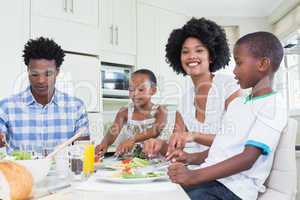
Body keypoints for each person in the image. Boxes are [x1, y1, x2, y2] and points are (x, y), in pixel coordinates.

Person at [167, 31, 287, 200]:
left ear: (262, 64)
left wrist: (193, 176)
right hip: (211, 181)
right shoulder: (239, 104)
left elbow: (248, 158)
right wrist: (190, 158)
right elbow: (221, 148)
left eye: (239, 63)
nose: (235, 70)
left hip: (234, 189)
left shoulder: (273, 104)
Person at [143, 17, 240, 157]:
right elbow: (176, 147)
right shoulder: (184, 100)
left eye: (199, 50)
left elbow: (236, 139)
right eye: (185, 51)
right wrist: (159, 144)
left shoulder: (229, 86)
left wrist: (194, 135)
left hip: (225, 173)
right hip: (195, 168)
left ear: (211, 56)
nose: (191, 56)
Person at [0, 37, 89, 153]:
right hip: (21, 171)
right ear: (28, 70)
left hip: (62, 171)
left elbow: (84, 151)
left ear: (57, 72)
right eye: (35, 74)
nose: (41, 80)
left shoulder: (77, 107)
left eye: (48, 74)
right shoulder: (6, 107)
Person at [95, 69, 167, 157]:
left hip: (154, 162)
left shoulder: (160, 110)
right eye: (131, 89)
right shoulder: (124, 112)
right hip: (130, 161)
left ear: (153, 91)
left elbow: (155, 131)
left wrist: (133, 139)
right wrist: (104, 144)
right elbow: (112, 132)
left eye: (141, 90)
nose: (135, 94)